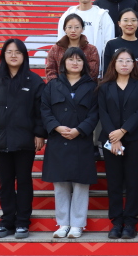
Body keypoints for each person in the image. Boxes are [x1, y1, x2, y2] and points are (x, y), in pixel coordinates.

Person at [0, 38, 44, 240]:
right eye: (9, 52)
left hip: (25, 141)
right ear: (3, 55)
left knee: (23, 181)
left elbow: (41, 111)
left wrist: (40, 133)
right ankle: (6, 222)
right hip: (1, 139)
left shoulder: (34, 81)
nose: (13, 55)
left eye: (18, 52)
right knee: (5, 182)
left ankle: (22, 222)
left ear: (24, 56)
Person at [41, 47, 99, 239]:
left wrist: (79, 130)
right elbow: (45, 110)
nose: (75, 63)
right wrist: (57, 127)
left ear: (84, 64)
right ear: (63, 63)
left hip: (81, 141)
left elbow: (95, 113)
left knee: (81, 185)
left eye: (79, 60)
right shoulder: (53, 85)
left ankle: (77, 224)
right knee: (60, 185)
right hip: (58, 140)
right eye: (71, 59)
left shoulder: (92, 86)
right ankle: (63, 223)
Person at [98, 48, 138, 239]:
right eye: (121, 60)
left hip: (134, 139)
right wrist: (115, 137)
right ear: (114, 63)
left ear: (134, 64)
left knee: (133, 181)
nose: (124, 64)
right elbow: (103, 112)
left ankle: (130, 223)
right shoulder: (105, 86)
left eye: (128, 61)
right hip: (111, 141)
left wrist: (123, 131)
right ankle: (116, 222)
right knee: (114, 182)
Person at [57, 0, 115, 71]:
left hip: (95, 66)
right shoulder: (67, 15)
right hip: (71, 66)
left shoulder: (102, 15)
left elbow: (109, 43)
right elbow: (61, 41)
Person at [47, 14, 99, 81]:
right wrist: (58, 85)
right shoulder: (55, 49)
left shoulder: (91, 49)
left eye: (77, 27)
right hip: (60, 85)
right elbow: (50, 70)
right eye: (69, 27)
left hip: (85, 85)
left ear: (82, 29)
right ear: (65, 29)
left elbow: (93, 71)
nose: (73, 30)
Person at [103, 9, 138, 73]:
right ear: (119, 23)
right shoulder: (111, 44)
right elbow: (107, 71)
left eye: (133, 20)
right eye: (125, 20)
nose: (129, 24)